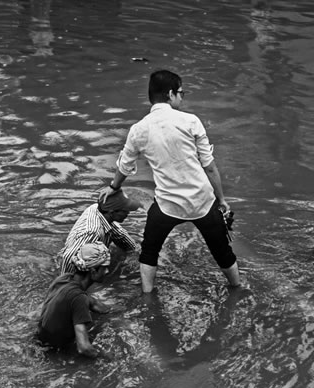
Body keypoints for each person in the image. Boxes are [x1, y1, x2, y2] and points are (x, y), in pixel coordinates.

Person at [97, 69, 240, 293]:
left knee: (149, 251)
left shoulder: (139, 129)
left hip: (167, 205)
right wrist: (221, 199)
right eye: (181, 93)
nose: (182, 97)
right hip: (201, 201)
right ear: (171, 94)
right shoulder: (191, 121)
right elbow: (209, 166)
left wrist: (114, 187)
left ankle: (147, 296)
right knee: (222, 250)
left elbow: (124, 165)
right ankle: (237, 288)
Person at [36, 243, 114, 359]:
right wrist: (108, 357)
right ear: (93, 271)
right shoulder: (79, 298)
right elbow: (84, 348)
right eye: (104, 267)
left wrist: (112, 311)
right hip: (53, 354)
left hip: (38, 342)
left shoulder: (63, 279)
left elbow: (90, 301)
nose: (107, 271)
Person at [56, 188, 142, 273]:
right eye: (125, 210)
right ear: (112, 212)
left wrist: (134, 252)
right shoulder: (92, 233)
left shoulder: (99, 209)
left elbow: (118, 233)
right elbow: (68, 258)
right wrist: (65, 282)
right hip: (76, 268)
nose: (128, 213)